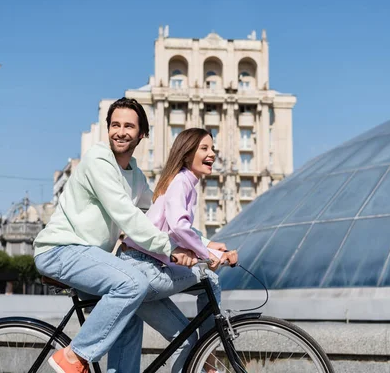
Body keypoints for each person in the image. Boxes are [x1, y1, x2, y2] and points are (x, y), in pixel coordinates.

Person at [33, 97, 197, 373]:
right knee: (133, 283)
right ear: (107, 129)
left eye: (129, 126)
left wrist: (202, 245)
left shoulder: (135, 175)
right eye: (115, 125)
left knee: (129, 315)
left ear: (141, 134)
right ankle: (75, 356)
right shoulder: (98, 160)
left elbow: (158, 216)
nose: (120, 131)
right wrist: (169, 248)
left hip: (90, 256)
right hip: (60, 249)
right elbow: (127, 215)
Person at [112, 128, 239, 373]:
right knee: (210, 279)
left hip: (139, 266)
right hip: (139, 268)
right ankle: (210, 360)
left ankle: (206, 356)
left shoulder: (184, 182)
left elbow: (173, 230)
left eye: (212, 148)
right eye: (204, 148)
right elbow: (180, 227)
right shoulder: (182, 181)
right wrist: (210, 255)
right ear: (187, 153)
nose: (212, 153)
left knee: (186, 341)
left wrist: (209, 246)